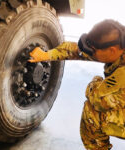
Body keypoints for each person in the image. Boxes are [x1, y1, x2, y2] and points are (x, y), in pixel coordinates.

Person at [28, 19, 125, 150]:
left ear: (112, 50)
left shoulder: (122, 73)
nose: (91, 53)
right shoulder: (118, 48)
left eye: (94, 51)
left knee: (92, 113)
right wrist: (46, 55)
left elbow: (98, 99)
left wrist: (95, 82)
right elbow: (76, 50)